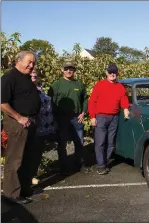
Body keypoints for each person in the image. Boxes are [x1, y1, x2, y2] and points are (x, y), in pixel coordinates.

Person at [1, 51, 41, 204]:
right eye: (29, 62)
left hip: (29, 121)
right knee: (15, 159)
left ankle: (24, 189)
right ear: (18, 60)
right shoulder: (9, 78)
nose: (31, 65)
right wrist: (19, 117)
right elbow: (2, 103)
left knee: (27, 158)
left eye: (33, 63)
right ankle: (11, 195)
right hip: (17, 123)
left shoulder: (25, 78)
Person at [48, 61, 90, 175]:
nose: (68, 71)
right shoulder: (56, 85)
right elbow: (50, 102)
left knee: (80, 142)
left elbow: (85, 99)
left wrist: (83, 112)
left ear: (74, 70)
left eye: (71, 69)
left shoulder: (79, 84)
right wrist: (53, 118)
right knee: (62, 143)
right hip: (61, 118)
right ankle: (64, 166)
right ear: (62, 70)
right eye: (66, 69)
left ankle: (80, 164)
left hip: (77, 118)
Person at [88, 64, 130, 175]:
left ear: (117, 73)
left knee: (111, 142)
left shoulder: (120, 87)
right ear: (106, 73)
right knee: (100, 142)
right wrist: (92, 117)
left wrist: (125, 109)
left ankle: (105, 162)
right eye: (110, 72)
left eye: (114, 72)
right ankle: (101, 165)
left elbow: (124, 99)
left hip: (114, 117)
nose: (112, 74)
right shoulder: (100, 85)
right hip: (101, 117)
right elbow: (92, 102)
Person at [30, 70, 56, 185]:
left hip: (43, 127)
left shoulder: (40, 89)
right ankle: (26, 177)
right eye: (31, 74)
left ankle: (33, 175)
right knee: (28, 153)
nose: (34, 75)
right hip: (31, 126)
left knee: (37, 152)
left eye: (35, 74)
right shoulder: (25, 90)